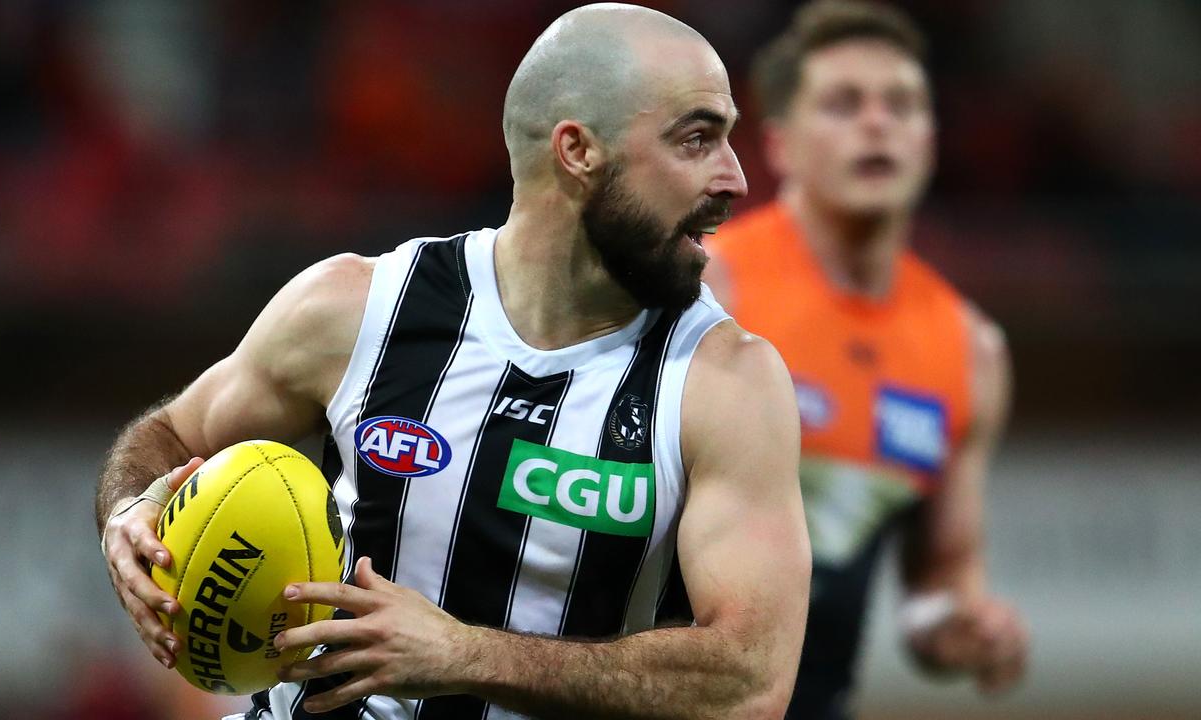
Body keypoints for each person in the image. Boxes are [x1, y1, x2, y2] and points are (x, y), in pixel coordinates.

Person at [96, 4, 811, 719]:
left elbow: (750, 685)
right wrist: (129, 511)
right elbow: (172, 438)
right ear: (578, 151)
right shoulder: (355, 310)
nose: (736, 179)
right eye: (696, 140)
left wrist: (465, 655)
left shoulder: (725, 386)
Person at [702, 2, 1029, 719]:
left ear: (930, 141)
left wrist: (967, 626)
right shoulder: (705, 289)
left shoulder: (969, 351)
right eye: (844, 104)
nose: (877, 123)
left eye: (902, 104)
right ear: (780, 144)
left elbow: (937, 588)